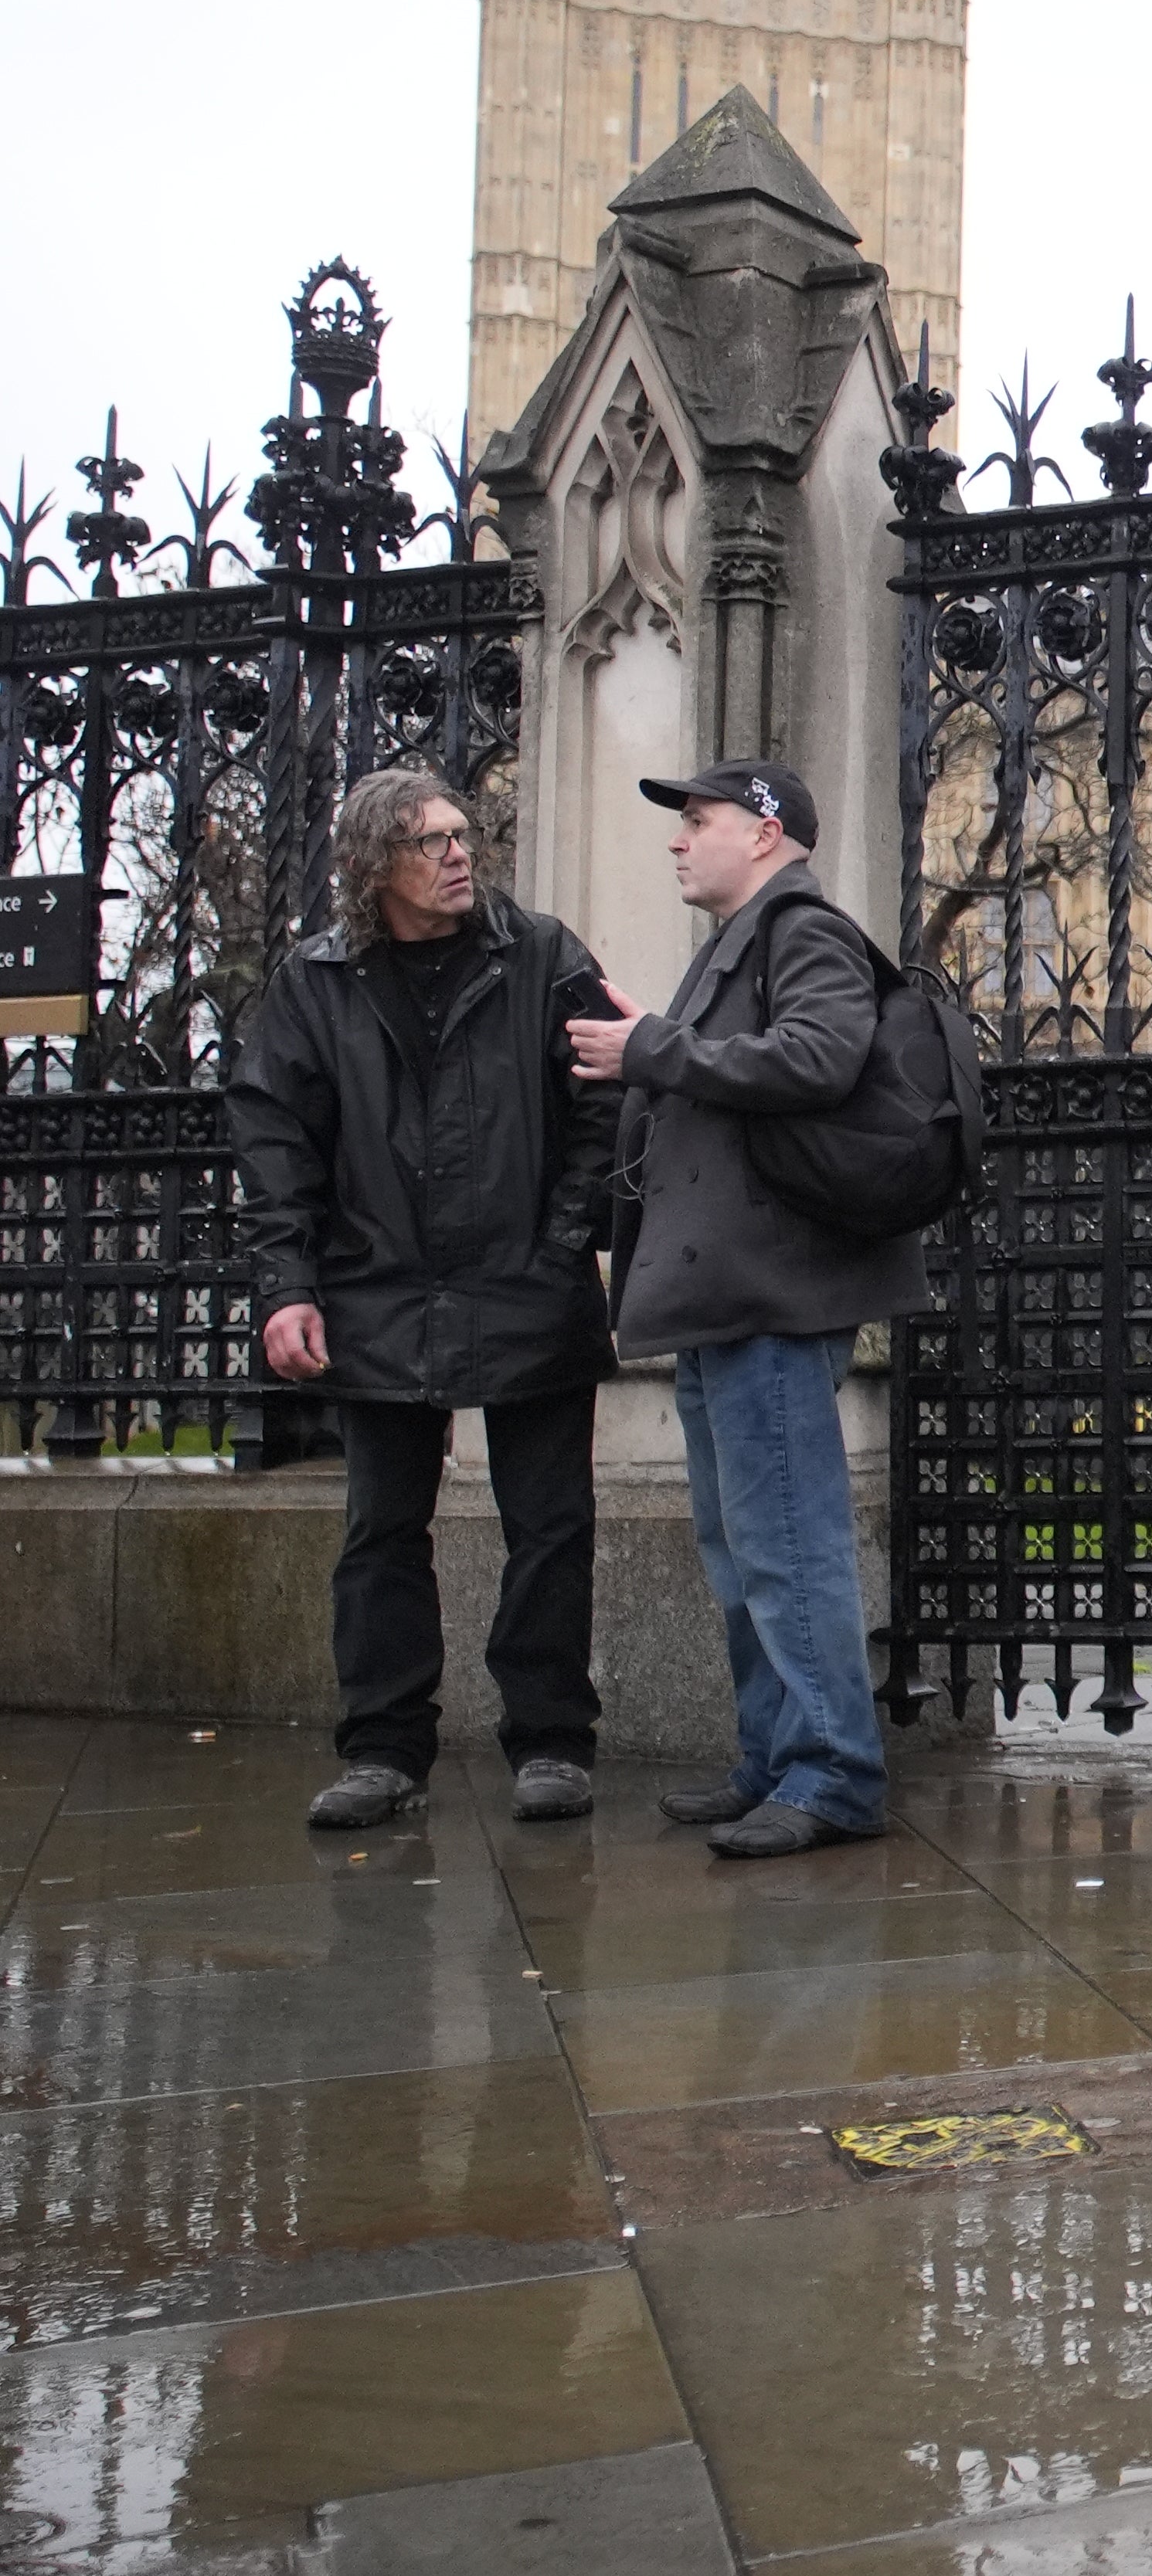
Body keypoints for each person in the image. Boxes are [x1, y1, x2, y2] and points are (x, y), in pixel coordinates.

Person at [230, 769, 620, 1831]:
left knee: (549, 1522)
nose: (459, 855)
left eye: (461, 836)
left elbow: (603, 1107)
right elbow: (275, 1145)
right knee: (381, 1531)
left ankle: (550, 1739)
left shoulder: (540, 954)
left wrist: (560, 1243)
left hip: (525, 1283)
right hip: (375, 1291)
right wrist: (288, 1288)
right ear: (370, 869)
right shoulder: (316, 982)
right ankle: (383, 1749)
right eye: (429, 843)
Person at [566, 760, 929, 1860]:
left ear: (767, 834)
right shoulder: (740, 944)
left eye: (701, 822)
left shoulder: (801, 930)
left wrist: (654, 1050)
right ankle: (777, 1760)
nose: (680, 842)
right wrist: (656, 1048)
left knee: (786, 1546)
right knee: (741, 1548)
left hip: (771, 1293)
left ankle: (832, 1776)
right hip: (726, 1294)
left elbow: (821, 1058)